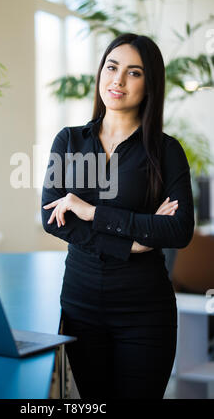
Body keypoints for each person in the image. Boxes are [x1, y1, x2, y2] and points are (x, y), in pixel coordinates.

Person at [41, 33, 195, 399]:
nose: (118, 80)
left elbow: (178, 228)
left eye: (134, 72)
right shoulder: (69, 141)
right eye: (112, 67)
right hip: (80, 306)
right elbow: (52, 218)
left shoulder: (166, 151)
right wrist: (133, 242)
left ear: (150, 84)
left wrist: (91, 211)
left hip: (144, 312)